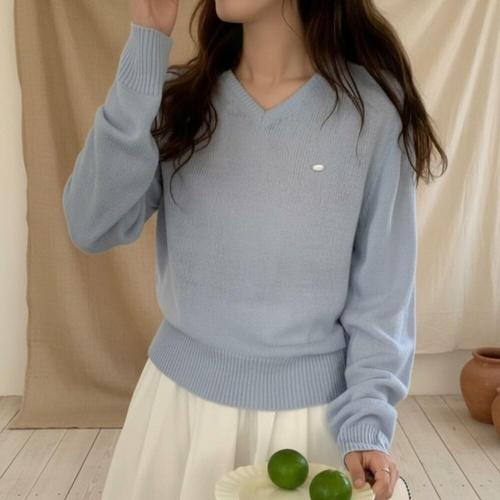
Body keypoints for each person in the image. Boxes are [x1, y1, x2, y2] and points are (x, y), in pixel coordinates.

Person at [61, 0, 447, 499]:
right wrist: (146, 45)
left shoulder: (372, 113)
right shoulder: (181, 102)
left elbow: (383, 296)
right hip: (177, 417)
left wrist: (367, 424)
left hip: (312, 423)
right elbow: (90, 225)